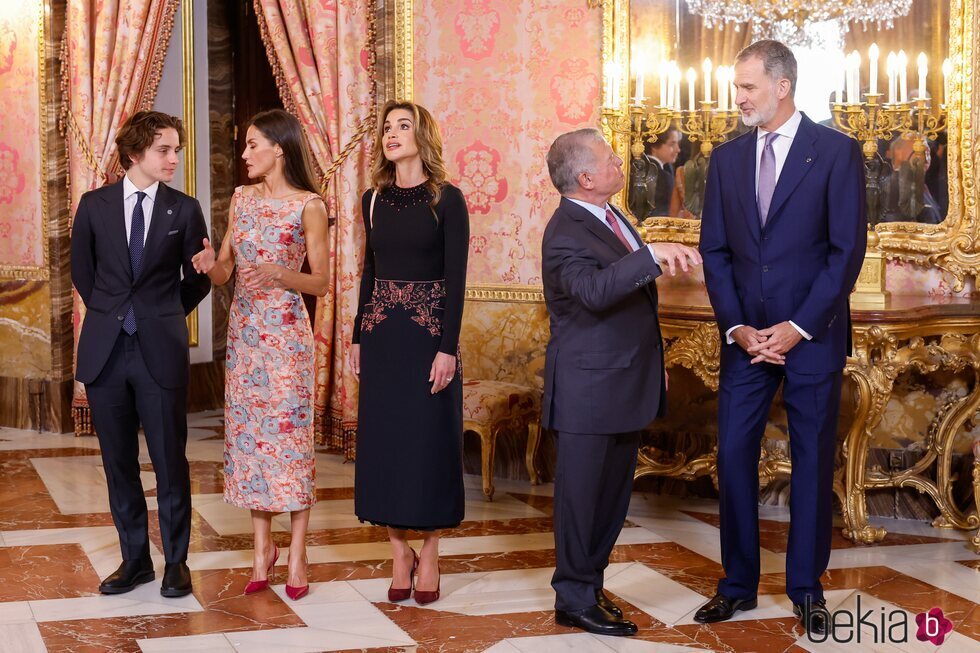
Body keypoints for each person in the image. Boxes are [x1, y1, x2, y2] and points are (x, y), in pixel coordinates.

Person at [696, 40, 866, 636]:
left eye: (746, 87)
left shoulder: (837, 153)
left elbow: (846, 253)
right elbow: (714, 251)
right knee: (734, 459)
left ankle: (806, 587)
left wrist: (796, 329)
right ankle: (737, 585)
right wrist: (739, 327)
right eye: (737, 86)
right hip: (745, 340)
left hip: (811, 337)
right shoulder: (726, 159)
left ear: (782, 86)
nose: (737, 97)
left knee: (812, 460)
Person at [541, 128, 702, 636]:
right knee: (582, 500)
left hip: (624, 383)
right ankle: (573, 597)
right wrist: (651, 254)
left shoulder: (612, 217)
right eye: (610, 158)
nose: (619, 162)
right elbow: (591, 291)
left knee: (609, 500)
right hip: (588, 391)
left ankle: (589, 586)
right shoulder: (565, 229)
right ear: (586, 178)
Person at [70, 111, 211, 597]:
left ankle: (176, 561)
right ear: (135, 155)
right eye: (164, 150)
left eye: (176, 149)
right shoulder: (93, 205)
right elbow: (83, 273)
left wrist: (163, 312)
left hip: (160, 348)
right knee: (118, 462)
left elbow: (198, 278)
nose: (174, 159)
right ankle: (135, 560)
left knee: (171, 459)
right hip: (106, 351)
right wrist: (114, 314)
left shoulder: (185, 209)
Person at [191, 109, 328, 601]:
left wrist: (281, 274)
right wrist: (210, 266)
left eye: (253, 145)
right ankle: (260, 550)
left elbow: (321, 281)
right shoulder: (241, 199)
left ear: (279, 150)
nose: (244, 154)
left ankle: (296, 552)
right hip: (246, 338)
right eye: (245, 145)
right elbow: (226, 270)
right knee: (250, 442)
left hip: (287, 337)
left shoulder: (309, 205)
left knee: (289, 444)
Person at [350, 100, 469, 606]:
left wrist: (447, 350)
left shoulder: (448, 198)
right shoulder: (371, 199)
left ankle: (432, 552)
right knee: (387, 445)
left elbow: (456, 280)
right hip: (382, 338)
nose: (391, 135)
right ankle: (399, 552)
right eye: (386, 128)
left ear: (423, 136)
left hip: (428, 339)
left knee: (429, 445)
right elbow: (370, 272)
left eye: (403, 126)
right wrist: (357, 335)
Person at [881, 135, 944, 224]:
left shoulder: (922, 184)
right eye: (920, 152)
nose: (926, 159)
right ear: (899, 153)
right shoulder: (893, 187)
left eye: (928, 153)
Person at [627, 126, 681, 219]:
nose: (678, 149)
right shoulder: (663, 178)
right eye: (672, 144)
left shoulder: (632, 168)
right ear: (655, 146)